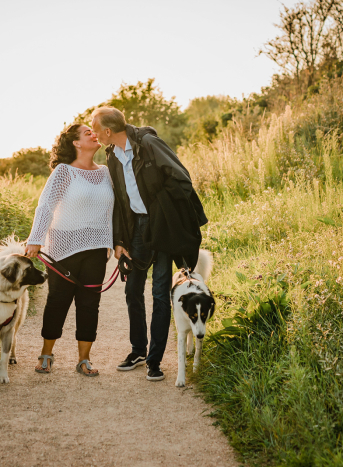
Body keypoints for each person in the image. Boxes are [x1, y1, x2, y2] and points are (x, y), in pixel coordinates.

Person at [91, 107, 208, 382]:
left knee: (159, 293)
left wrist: (162, 209)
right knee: (132, 290)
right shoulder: (112, 155)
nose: (94, 134)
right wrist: (119, 240)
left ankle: (155, 360)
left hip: (162, 225)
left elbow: (182, 179)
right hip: (136, 230)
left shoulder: (149, 143)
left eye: (94, 128)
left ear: (108, 131)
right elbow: (120, 201)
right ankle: (138, 351)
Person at [24, 123, 114, 377]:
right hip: (63, 246)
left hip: (97, 247)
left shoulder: (106, 172)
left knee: (90, 304)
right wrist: (35, 239)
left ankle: (84, 360)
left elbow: (114, 211)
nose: (94, 134)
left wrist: (115, 242)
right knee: (58, 301)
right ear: (75, 143)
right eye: (88, 133)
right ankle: (46, 354)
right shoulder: (64, 172)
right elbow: (46, 206)